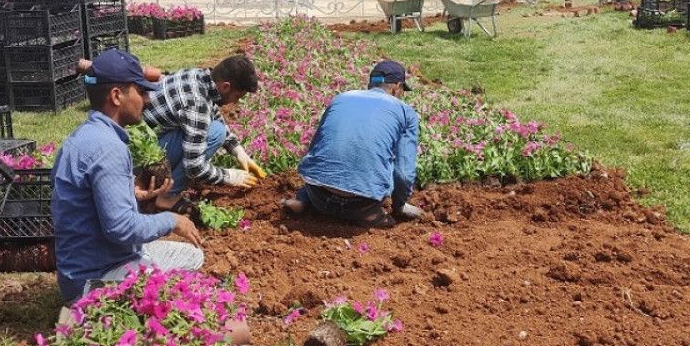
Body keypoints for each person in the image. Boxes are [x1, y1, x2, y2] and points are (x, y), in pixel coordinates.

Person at [51, 48, 204, 303]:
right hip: (95, 282)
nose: (147, 100)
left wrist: (130, 193)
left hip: (77, 271)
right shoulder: (109, 148)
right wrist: (172, 220)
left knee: (175, 256)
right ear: (116, 96)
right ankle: (107, 310)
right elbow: (121, 229)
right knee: (192, 258)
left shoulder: (82, 137)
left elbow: (82, 203)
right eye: (141, 91)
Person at [282, 60, 421, 228]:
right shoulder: (405, 112)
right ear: (397, 87)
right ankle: (371, 216)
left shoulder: (341, 98)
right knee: (388, 161)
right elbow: (404, 174)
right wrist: (399, 206)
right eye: (402, 91)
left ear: (371, 83)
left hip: (318, 196)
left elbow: (315, 147)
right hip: (361, 205)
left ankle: (303, 200)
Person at [142, 54, 264, 211]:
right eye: (238, 96)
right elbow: (194, 167)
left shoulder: (198, 76)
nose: (236, 102)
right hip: (139, 162)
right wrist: (229, 176)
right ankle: (167, 198)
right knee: (215, 133)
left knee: (214, 129)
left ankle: (164, 184)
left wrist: (238, 151)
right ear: (226, 87)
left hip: (145, 144)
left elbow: (212, 112)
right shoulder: (197, 104)